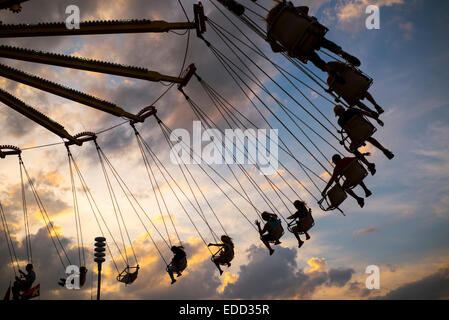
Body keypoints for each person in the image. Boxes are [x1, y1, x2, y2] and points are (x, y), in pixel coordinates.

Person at [266, 1, 360, 73]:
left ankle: (327, 68)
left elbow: (274, 49)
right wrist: (300, 15)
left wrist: (286, 48)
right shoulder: (286, 9)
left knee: (312, 57)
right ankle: (341, 52)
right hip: (309, 32)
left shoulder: (270, 29)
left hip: (299, 46)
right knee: (322, 41)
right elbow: (305, 9)